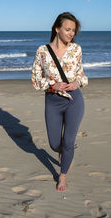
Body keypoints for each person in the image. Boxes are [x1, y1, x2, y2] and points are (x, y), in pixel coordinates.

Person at [31, 12, 88, 191]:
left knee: (69, 141)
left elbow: (81, 74)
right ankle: (62, 151)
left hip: (74, 100)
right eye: (68, 29)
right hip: (53, 101)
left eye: (73, 30)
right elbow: (35, 79)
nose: (71, 33)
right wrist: (52, 85)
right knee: (55, 144)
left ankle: (62, 176)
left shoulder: (76, 49)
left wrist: (76, 82)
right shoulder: (42, 51)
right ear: (57, 29)